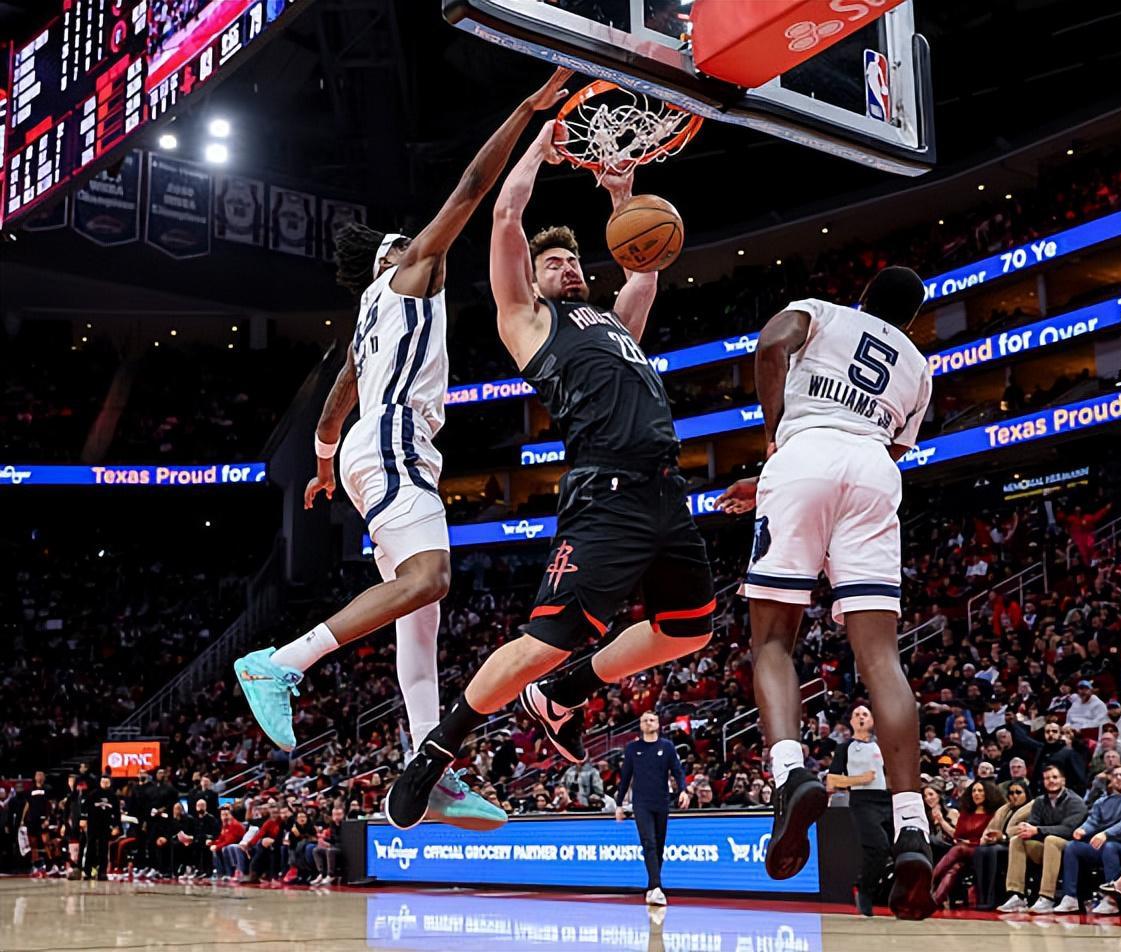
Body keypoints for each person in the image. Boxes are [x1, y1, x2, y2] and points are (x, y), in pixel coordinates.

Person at [231, 68, 575, 832]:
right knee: (430, 578)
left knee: (422, 619)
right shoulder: (410, 278)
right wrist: (525, 107)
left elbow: (336, 398)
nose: (429, 249)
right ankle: (281, 662)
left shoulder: (368, 319)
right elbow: (472, 187)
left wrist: (326, 464)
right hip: (393, 441)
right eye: (412, 246)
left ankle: (429, 766)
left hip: (375, 448)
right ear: (397, 259)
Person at [381, 121, 716, 830]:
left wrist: (622, 195)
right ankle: (434, 752)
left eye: (573, 260)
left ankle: (563, 693)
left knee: (689, 632)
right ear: (531, 280)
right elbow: (506, 214)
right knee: (541, 643)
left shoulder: (614, 322)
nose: (569, 267)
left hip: (667, 493)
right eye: (555, 261)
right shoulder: (528, 321)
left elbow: (645, 269)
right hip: (606, 493)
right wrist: (541, 142)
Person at [715, 266, 934, 918]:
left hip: (804, 451)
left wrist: (777, 444)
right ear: (909, 321)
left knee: (772, 642)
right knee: (882, 660)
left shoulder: (821, 310)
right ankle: (913, 826)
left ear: (862, 298)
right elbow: (890, 450)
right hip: (873, 471)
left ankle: (791, 775)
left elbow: (769, 345)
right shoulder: (918, 366)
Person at [614, 712, 690, 906]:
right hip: (641, 803)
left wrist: (683, 790)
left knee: (659, 845)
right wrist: (619, 804)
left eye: (652, 720)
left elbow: (677, 771)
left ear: (658, 724)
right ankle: (657, 887)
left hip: (662, 801)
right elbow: (625, 777)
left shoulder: (667, 747)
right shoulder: (632, 748)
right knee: (648, 842)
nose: (648, 723)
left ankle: (652, 886)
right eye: (645, 720)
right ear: (640, 725)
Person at [1052, 765, 1121, 912]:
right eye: (1115, 775)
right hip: (1103, 845)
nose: (1118, 778)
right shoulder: (1102, 801)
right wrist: (1083, 829)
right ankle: (1070, 897)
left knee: (1110, 847)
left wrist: (1105, 834)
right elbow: (1093, 821)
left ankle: (1112, 899)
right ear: (1110, 780)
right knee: (1072, 847)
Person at [826, 705, 891, 916]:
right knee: (879, 846)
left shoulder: (882, 745)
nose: (861, 717)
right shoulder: (844, 748)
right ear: (852, 722)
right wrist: (860, 779)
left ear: (872, 720)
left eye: (865, 714)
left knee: (899, 847)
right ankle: (864, 888)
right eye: (857, 714)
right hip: (863, 801)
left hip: (888, 799)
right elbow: (832, 780)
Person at [996, 764, 1087, 913]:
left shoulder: (1075, 801)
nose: (1051, 781)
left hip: (1069, 847)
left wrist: (1037, 830)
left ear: (1063, 780)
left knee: (1052, 839)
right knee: (1017, 839)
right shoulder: (1039, 801)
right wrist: (1026, 827)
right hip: (1045, 847)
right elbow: (1033, 823)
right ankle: (1017, 895)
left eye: (1055, 777)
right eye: (1047, 778)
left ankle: (1047, 897)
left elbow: (1068, 830)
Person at [931, 780, 1005, 906]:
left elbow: (989, 836)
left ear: (988, 793)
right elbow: (958, 835)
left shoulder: (994, 814)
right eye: (974, 791)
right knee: (954, 868)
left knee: (958, 849)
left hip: (982, 851)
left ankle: (930, 880)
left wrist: (970, 841)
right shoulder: (966, 813)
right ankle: (934, 901)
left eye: (980, 791)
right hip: (964, 852)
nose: (976, 794)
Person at [971, 781, 1032, 910]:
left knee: (994, 851)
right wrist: (988, 836)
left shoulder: (1031, 808)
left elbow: (1025, 829)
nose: (1014, 796)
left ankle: (994, 898)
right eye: (1011, 793)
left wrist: (1003, 836)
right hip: (999, 843)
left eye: (1018, 792)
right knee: (980, 851)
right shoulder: (1004, 809)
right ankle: (982, 899)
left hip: (1019, 845)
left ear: (1026, 794)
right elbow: (991, 827)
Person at [81, 775, 120, 881]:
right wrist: (83, 819)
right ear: (100, 782)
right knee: (90, 847)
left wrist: (116, 826)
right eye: (103, 782)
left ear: (110, 783)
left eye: (107, 782)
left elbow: (117, 813)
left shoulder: (113, 796)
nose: (105, 784)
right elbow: (84, 807)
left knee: (104, 848)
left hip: (106, 825)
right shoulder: (93, 794)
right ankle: (87, 871)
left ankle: (102, 872)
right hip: (93, 824)